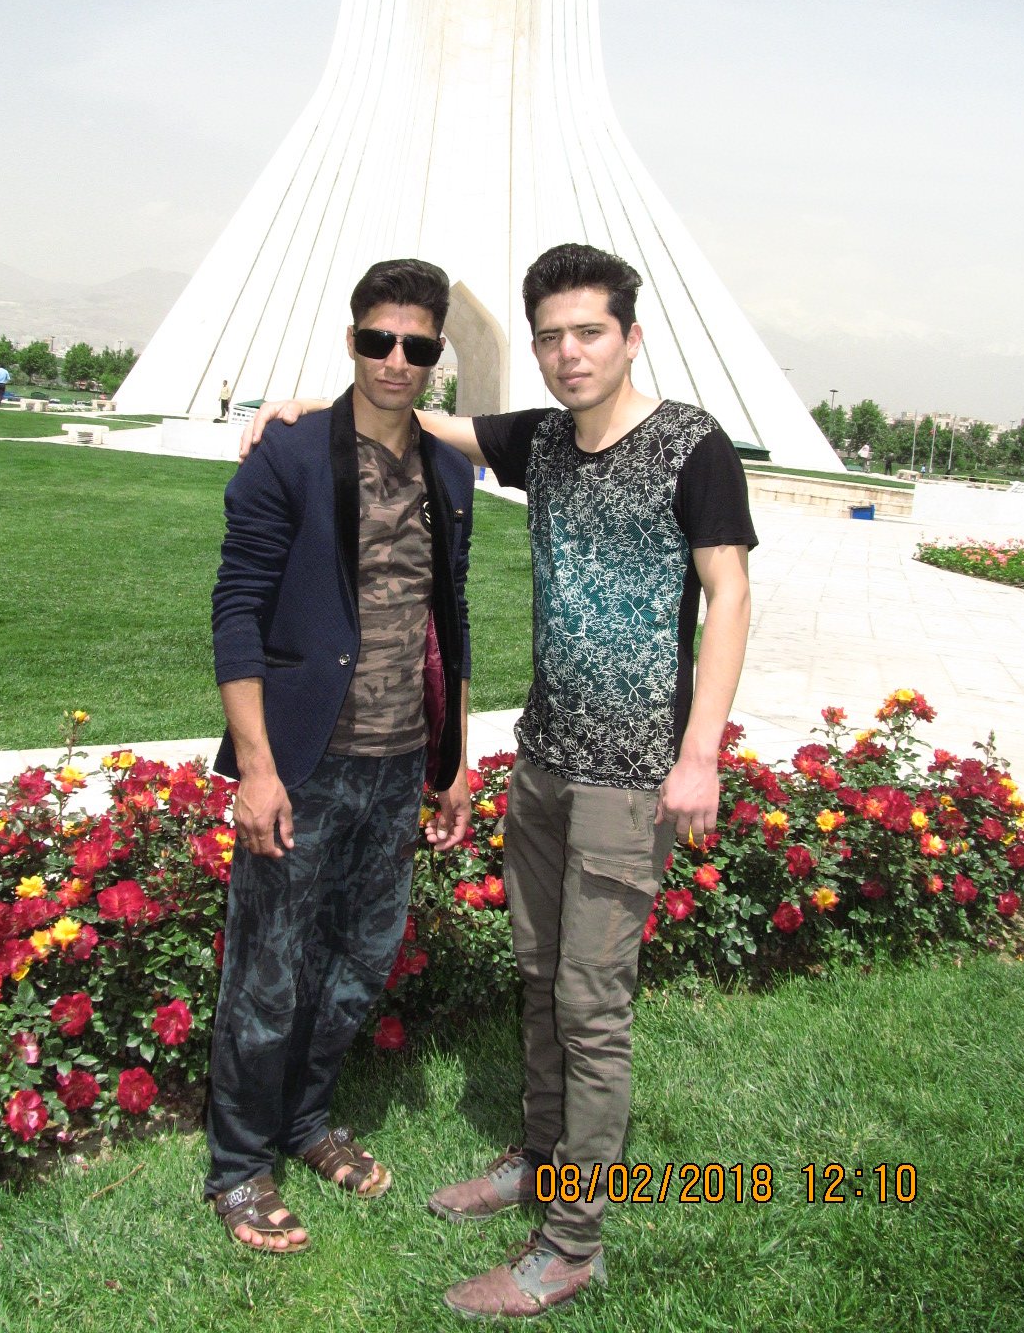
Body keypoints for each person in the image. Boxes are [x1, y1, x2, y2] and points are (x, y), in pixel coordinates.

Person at [246, 242, 756, 1317]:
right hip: (546, 763)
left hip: (632, 775)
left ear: (631, 334)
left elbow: (730, 596)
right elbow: (416, 415)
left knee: (591, 1002)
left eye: (590, 333)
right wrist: (304, 404)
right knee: (539, 977)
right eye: (552, 338)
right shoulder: (546, 442)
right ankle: (539, 1154)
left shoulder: (692, 447)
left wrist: (700, 753)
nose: (570, 354)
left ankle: (572, 1240)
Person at [207, 258, 474, 1256]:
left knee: (360, 967)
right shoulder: (285, 458)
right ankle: (239, 1164)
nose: (396, 360)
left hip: (398, 762)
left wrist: (450, 753)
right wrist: (259, 767)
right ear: (352, 338)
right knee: (268, 973)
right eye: (378, 340)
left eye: (416, 345)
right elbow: (237, 613)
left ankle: (306, 1121)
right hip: (306, 762)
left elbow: (447, 621)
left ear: (437, 354)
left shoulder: (450, 473)